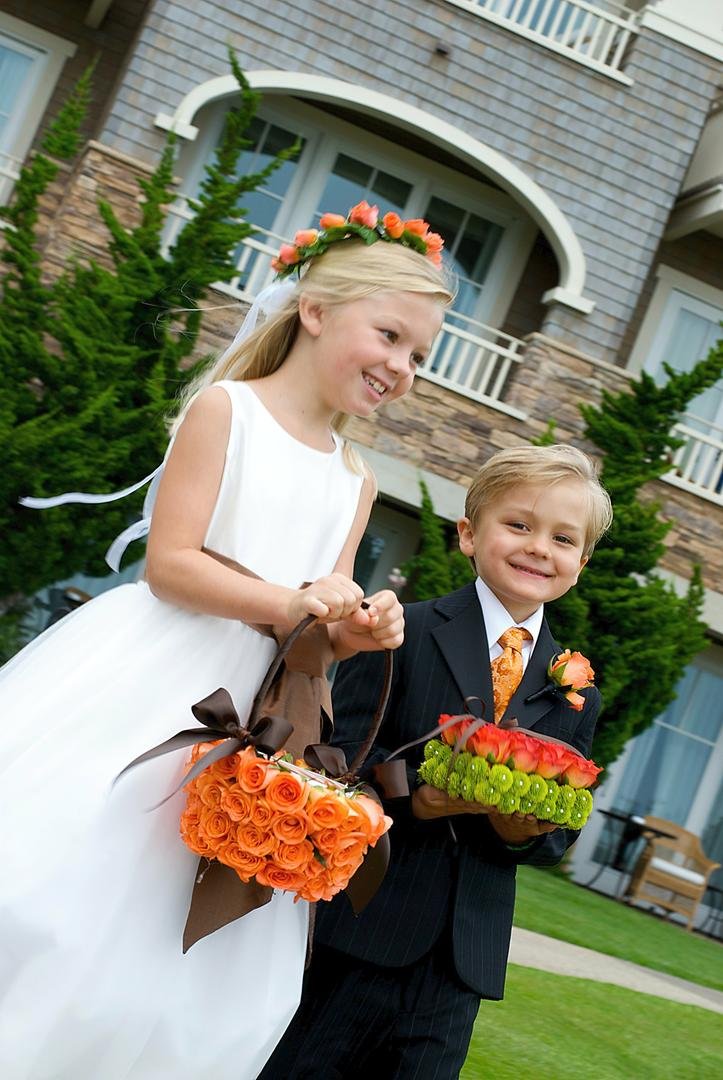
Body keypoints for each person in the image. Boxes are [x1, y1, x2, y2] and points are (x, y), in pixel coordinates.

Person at [0, 209, 453, 1080]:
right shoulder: (227, 410)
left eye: (419, 355)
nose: (400, 366)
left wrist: (355, 629)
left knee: (195, 938)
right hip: (158, 681)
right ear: (314, 310)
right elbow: (171, 564)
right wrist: (291, 602)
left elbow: (318, 629)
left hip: (266, 712)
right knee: (74, 887)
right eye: (389, 335)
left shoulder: (354, 477)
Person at [262, 444, 613, 1080]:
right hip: (362, 929)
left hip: (463, 960)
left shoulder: (577, 689)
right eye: (519, 525)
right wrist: (417, 798)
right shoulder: (401, 633)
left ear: (581, 564)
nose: (539, 548)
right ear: (469, 535)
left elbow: (558, 834)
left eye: (564, 538)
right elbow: (336, 764)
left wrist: (523, 831)